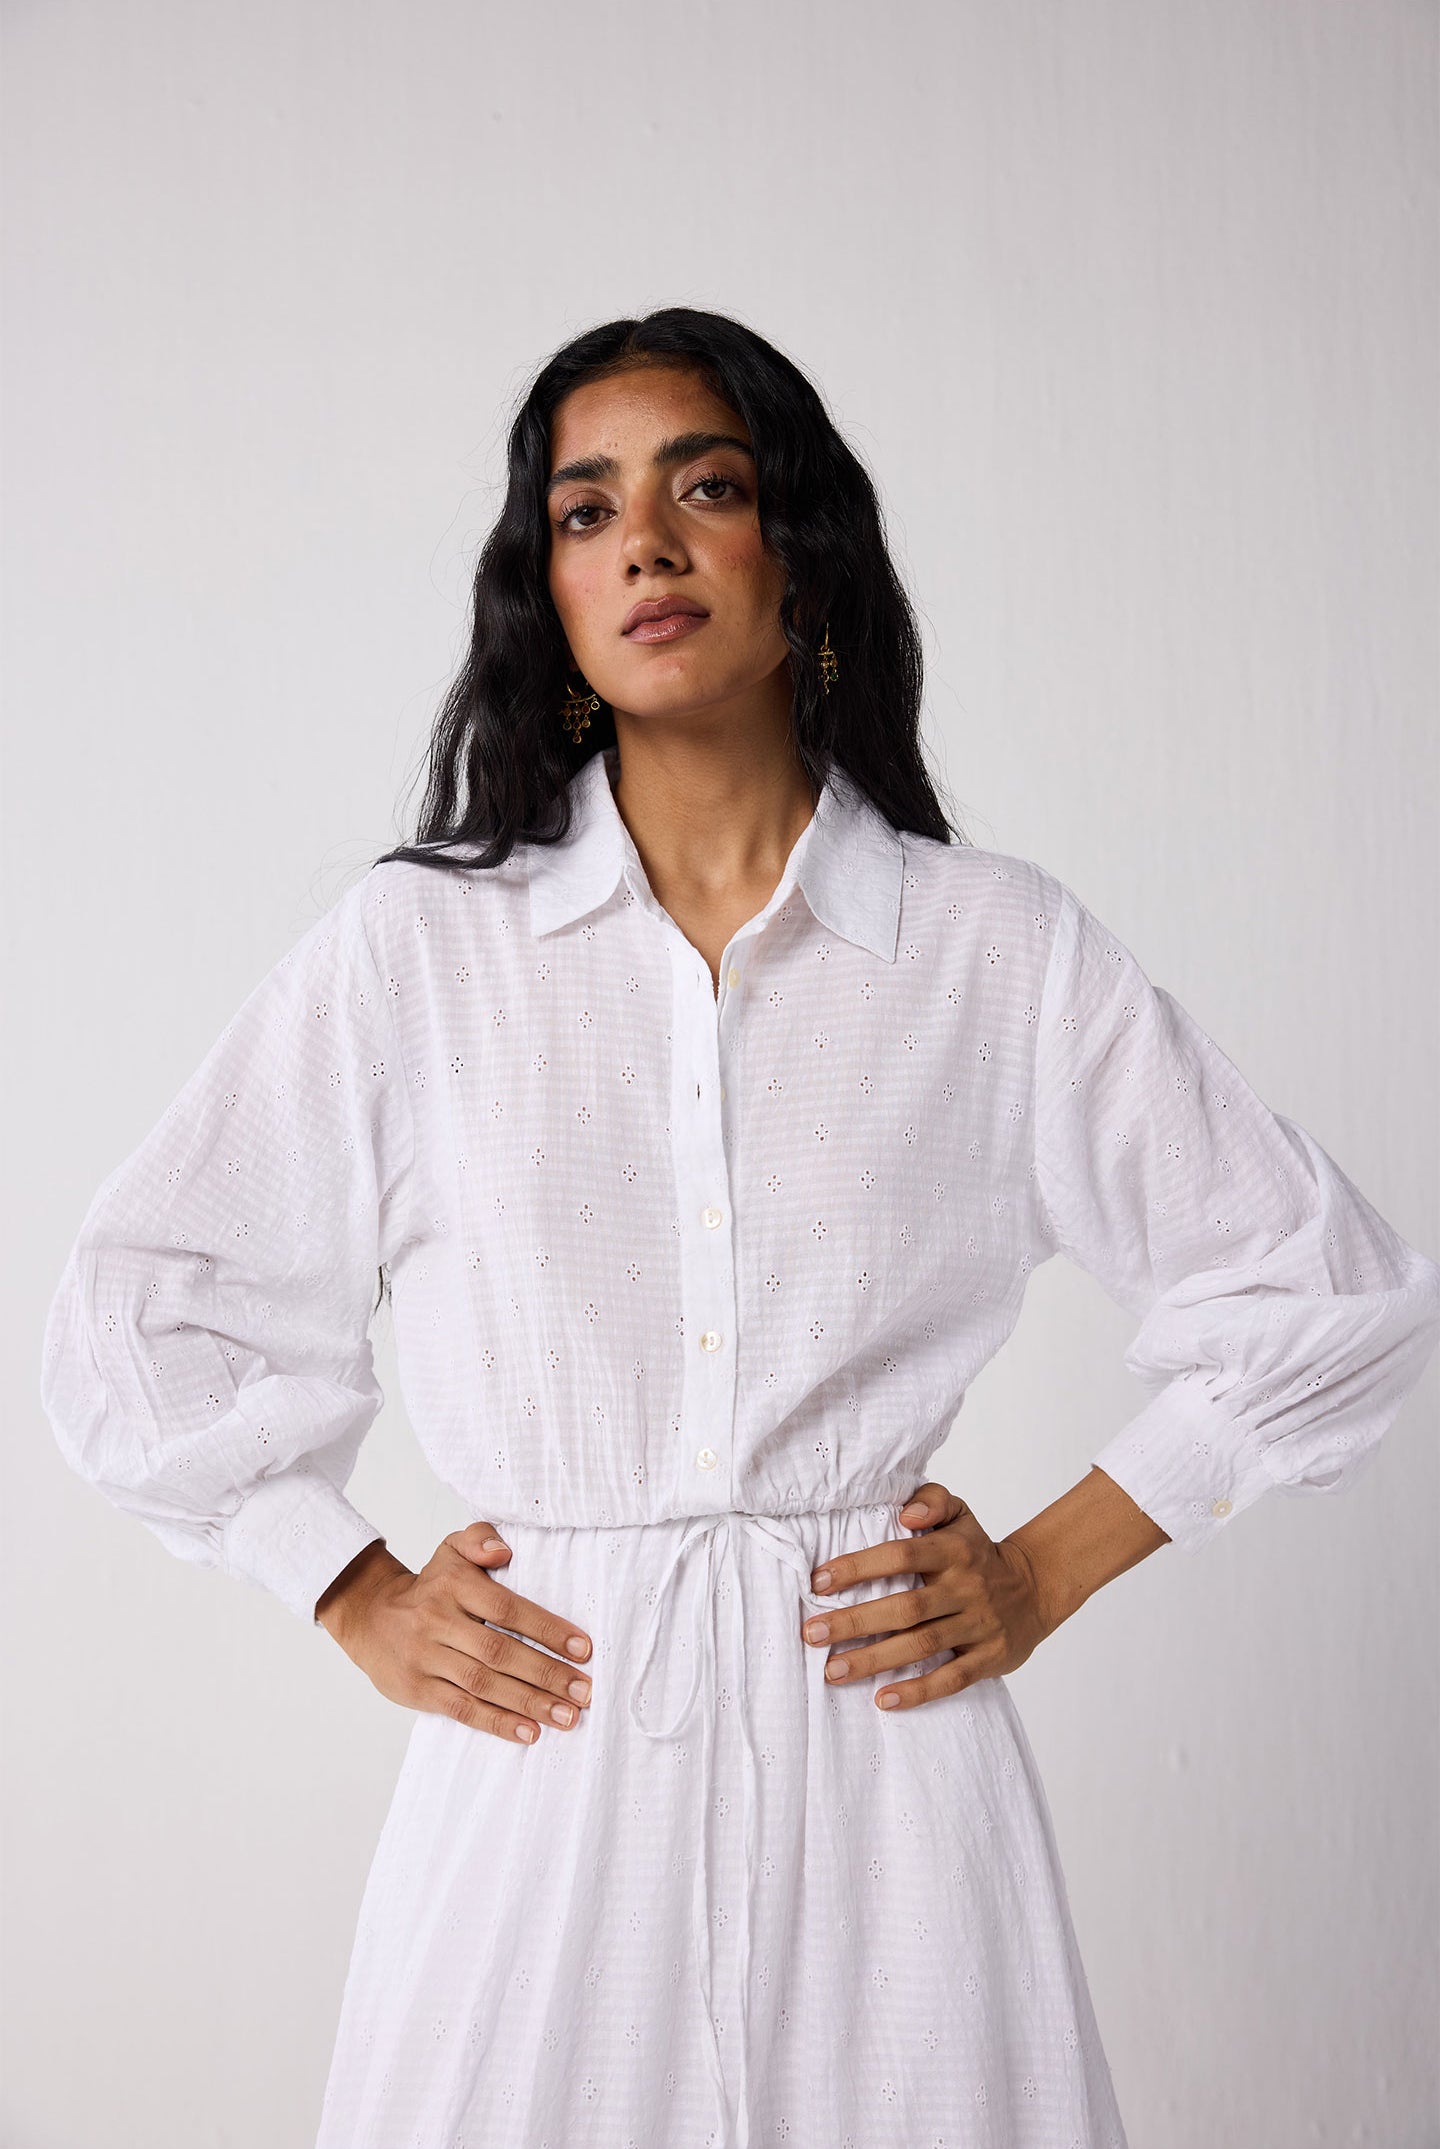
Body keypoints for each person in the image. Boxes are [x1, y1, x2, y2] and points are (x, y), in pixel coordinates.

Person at [40, 306, 1440, 2149]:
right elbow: (143, 1305)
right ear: (547, 592)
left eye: (708, 486)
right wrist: (344, 1577)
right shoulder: (422, 957)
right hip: (543, 1757)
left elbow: (1325, 1292)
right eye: (585, 506)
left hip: (889, 1765)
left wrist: (1047, 1565)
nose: (645, 541)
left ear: (807, 552)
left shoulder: (991, 953)